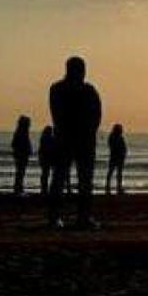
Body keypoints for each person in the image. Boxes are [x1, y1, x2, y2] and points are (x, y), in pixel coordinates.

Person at [48, 57, 103, 229]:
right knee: (68, 179)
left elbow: (97, 114)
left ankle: (75, 216)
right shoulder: (65, 89)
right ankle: (67, 217)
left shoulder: (61, 89)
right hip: (72, 139)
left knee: (74, 179)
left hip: (75, 139)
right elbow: (58, 114)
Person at [11, 116, 32, 196]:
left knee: (20, 172)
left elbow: (14, 144)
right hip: (21, 155)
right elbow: (14, 144)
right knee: (20, 172)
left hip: (21, 154)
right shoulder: (21, 133)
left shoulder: (21, 132)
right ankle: (18, 188)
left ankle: (19, 187)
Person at [106, 124, 127, 195]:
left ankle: (118, 187)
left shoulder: (118, 137)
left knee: (118, 173)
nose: (122, 131)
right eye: (120, 129)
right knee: (112, 172)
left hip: (119, 157)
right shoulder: (113, 137)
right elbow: (113, 146)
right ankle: (109, 186)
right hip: (115, 157)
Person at [38, 126, 56, 197]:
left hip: (47, 159)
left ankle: (44, 189)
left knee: (45, 174)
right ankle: (45, 188)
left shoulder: (44, 138)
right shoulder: (47, 139)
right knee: (46, 174)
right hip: (47, 159)